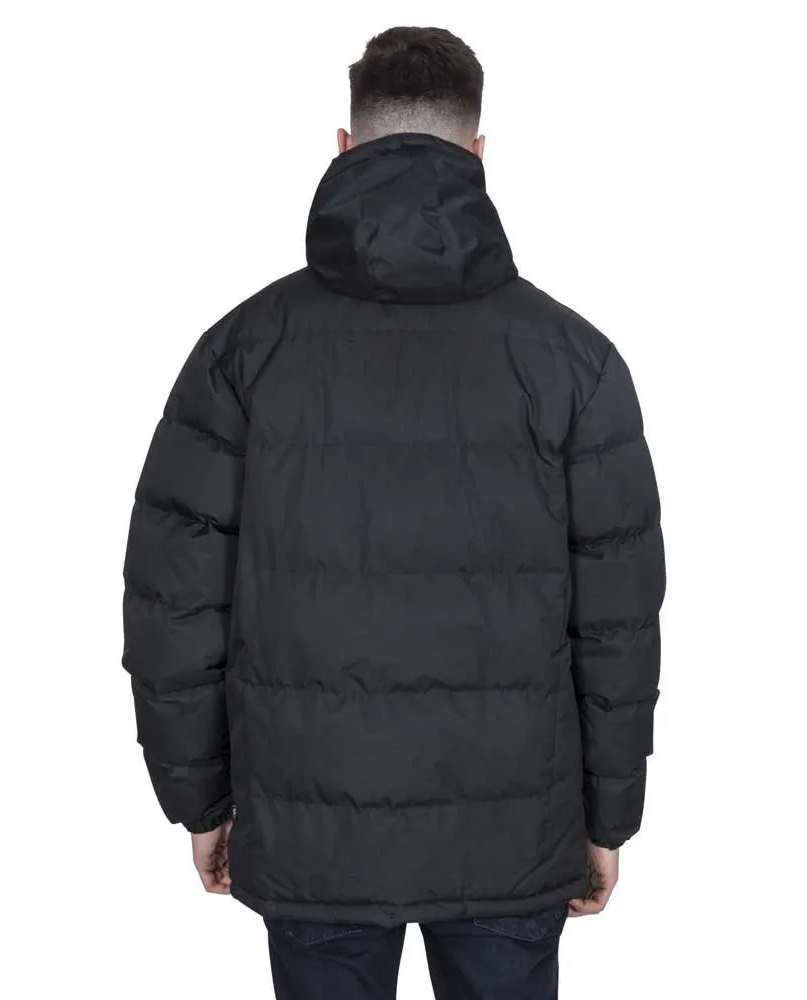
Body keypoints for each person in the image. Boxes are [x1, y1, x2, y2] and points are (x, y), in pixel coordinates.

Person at [122, 25, 665, 1000]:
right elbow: (618, 622)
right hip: (513, 833)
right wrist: (607, 818)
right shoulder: (574, 361)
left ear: (343, 146)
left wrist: (199, 801)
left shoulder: (242, 352)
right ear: (479, 154)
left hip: (310, 834)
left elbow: (174, 604)